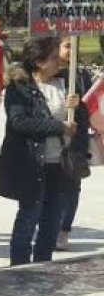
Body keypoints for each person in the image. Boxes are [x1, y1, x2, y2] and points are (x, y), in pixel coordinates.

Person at [0, 36, 87, 267]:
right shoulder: (19, 87)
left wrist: (78, 108)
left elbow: (79, 124)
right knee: (29, 217)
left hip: (60, 165)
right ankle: (20, 267)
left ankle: (43, 266)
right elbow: (19, 122)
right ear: (39, 62)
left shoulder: (66, 83)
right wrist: (58, 126)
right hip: (32, 164)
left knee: (52, 221)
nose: (60, 61)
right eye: (54, 58)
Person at [56, 36, 93, 251]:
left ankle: (64, 229)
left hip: (76, 141)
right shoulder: (49, 73)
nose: (71, 50)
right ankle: (48, 226)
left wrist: (78, 106)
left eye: (74, 46)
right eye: (67, 46)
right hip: (52, 139)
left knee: (72, 187)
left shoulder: (81, 74)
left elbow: (89, 106)